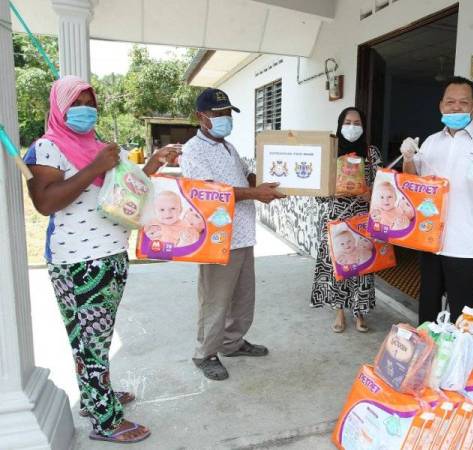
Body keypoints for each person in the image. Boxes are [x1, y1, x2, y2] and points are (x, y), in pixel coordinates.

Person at [24, 76, 180, 444]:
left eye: (91, 102)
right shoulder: (46, 148)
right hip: (78, 260)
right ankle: (105, 420)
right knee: (90, 341)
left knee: (95, 338)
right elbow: (46, 202)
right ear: (60, 108)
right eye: (77, 102)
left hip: (110, 254)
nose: (86, 109)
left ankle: (95, 397)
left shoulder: (99, 145)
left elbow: (128, 186)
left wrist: (154, 162)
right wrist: (94, 167)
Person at [180, 88, 285, 381]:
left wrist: (267, 180)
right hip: (217, 237)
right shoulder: (193, 151)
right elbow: (209, 193)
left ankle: (232, 342)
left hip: (242, 234)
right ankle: (205, 353)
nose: (225, 119)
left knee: (242, 296)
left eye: (228, 113)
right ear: (201, 117)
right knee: (216, 299)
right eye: (218, 114)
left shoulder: (227, 146)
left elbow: (243, 176)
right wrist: (255, 193)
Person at [401, 76, 473, 323]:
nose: (456, 107)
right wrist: (408, 158)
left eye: (463, 102)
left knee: (462, 315)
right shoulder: (431, 142)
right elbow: (413, 183)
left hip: (465, 243)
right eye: (450, 101)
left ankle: (459, 361)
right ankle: (428, 357)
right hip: (430, 239)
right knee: (428, 309)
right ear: (441, 105)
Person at [310, 107, 382, 333]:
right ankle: (339, 311)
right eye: (348, 122)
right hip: (336, 218)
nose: (353, 127)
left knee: (361, 266)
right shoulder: (331, 153)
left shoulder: (372, 154)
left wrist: (369, 193)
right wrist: (333, 191)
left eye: (357, 122)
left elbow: (383, 187)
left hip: (362, 218)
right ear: (340, 125)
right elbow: (318, 192)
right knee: (338, 266)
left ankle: (359, 312)